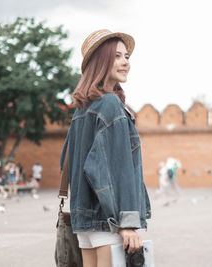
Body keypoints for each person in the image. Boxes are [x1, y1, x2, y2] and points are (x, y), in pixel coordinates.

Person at [60, 29, 151, 267]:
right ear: (101, 61)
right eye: (117, 56)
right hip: (108, 221)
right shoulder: (110, 104)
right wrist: (127, 223)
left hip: (84, 224)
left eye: (127, 57)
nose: (125, 62)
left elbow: (66, 164)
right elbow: (115, 168)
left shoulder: (81, 111)